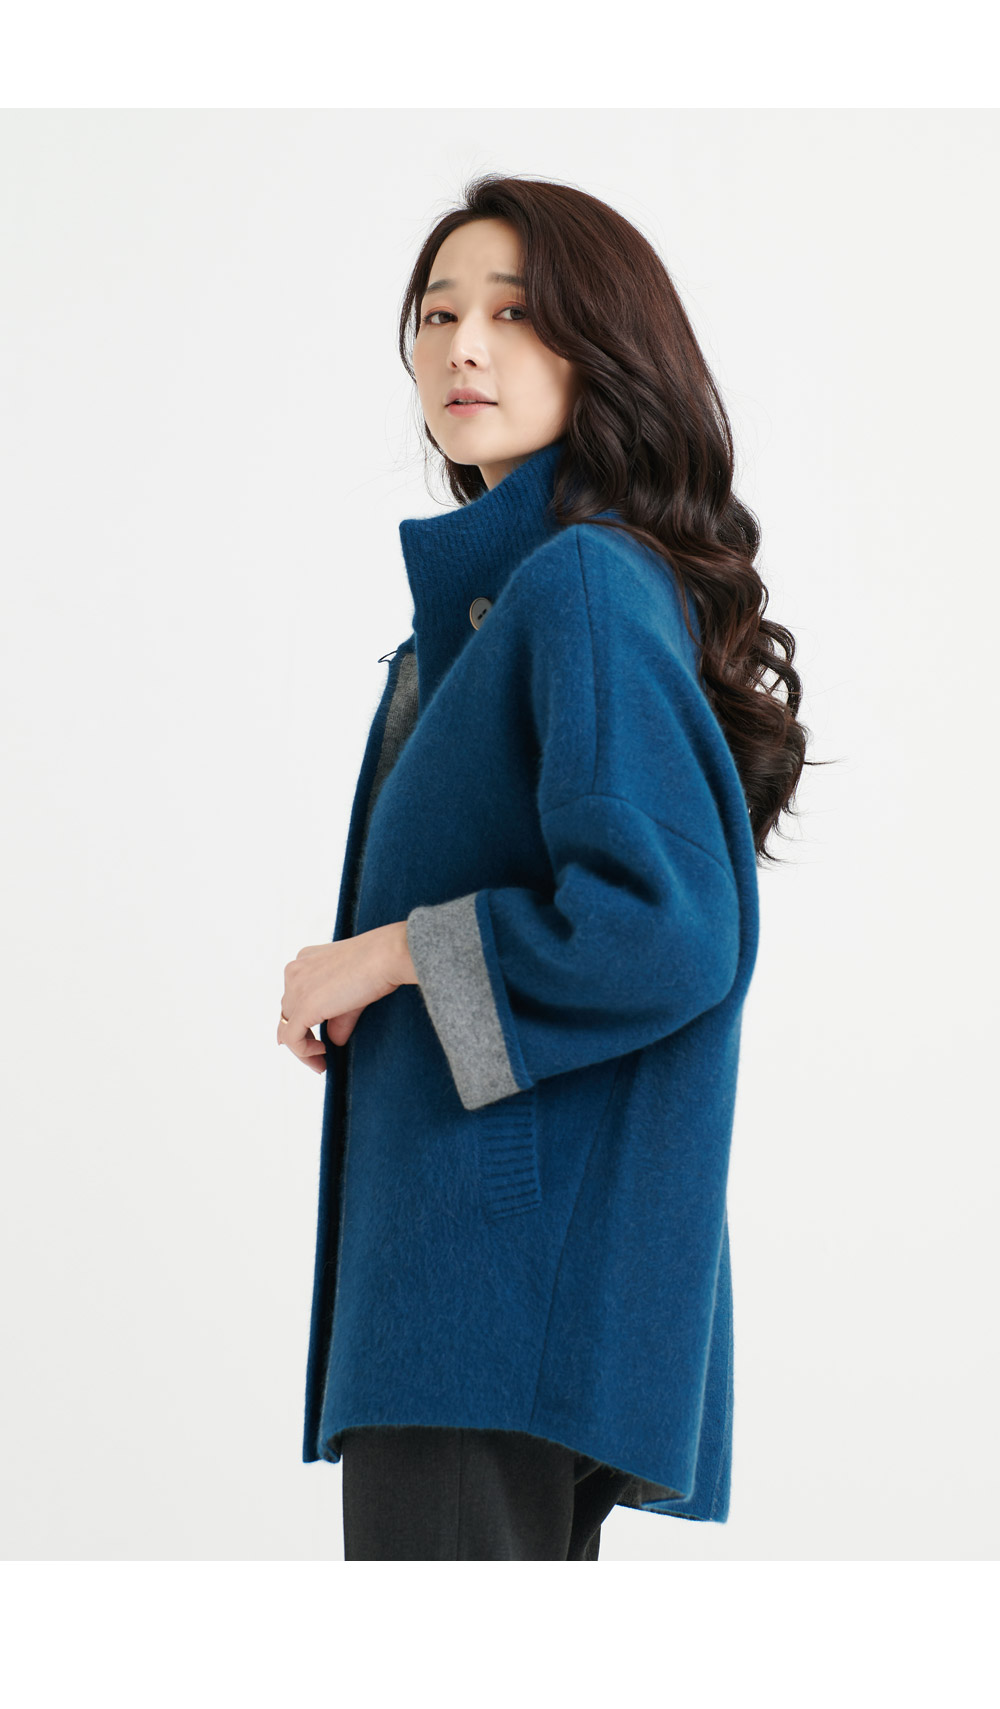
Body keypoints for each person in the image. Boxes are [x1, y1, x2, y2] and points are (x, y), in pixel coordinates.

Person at [278, 174, 815, 1560]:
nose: (464, 347)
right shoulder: (492, 614)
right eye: (438, 314)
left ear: (604, 350)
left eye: (516, 315)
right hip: (489, 1292)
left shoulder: (579, 583)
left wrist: (389, 955)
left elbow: (666, 929)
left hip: (487, 1293)